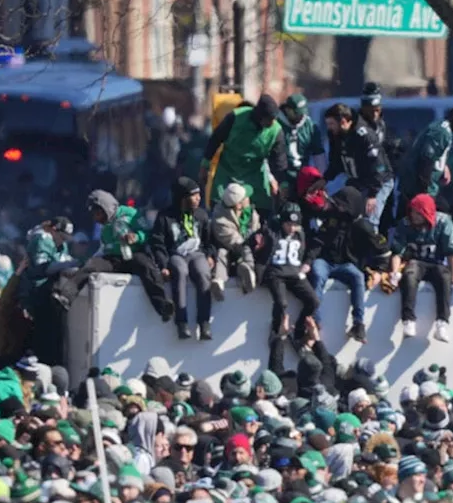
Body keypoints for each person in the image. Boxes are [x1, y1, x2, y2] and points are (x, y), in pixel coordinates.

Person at [54, 190, 174, 321]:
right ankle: (66, 296)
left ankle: (162, 305)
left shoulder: (131, 213)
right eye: (94, 215)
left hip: (134, 255)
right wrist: (89, 261)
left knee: (147, 267)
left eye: (98, 214)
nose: (96, 218)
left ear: (105, 207)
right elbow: (103, 248)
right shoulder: (105, 227)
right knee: (92, 265)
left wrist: (136, 237)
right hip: (113, 259)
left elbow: (146, 233)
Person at [307, 186, 391, 343]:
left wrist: (380, 271)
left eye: (340, 205)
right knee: (317, 273)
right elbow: (318, 242)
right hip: (326, 261)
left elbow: (384, 251)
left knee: (358, 277)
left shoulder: (363, 226)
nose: (336, 208)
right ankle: (314, 319)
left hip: (347, 264)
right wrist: (308, 261)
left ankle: (358, 324)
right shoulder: (331, 220)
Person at [387, 194, 453, 342]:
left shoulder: (443, 222)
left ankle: (442, 323)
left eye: (417, 213)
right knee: (410, 273)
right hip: (416, 262)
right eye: (412, 212)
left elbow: (452, 251)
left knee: (445, 277)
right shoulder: (405, 224)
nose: (414, 216)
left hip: (437, 263)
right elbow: (397, 251)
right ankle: (408, 320)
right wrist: (394, 272)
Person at [149, 177, 215, 341]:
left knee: (203, 273)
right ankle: (182, 322)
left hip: (197, 253)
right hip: (176, 254)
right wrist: (163, 264)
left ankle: (204, 323)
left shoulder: (201, 215)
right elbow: (158, 243)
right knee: (180, 271)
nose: (199, 198)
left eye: (199, 194)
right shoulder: (165, 217)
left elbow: (210, 241)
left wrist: (209, 255)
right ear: (183, 198)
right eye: (194, 195)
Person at [201, 95, 285, 215]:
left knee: (263, 210)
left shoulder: (276, 131)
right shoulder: (236, 117)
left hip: (254, 175)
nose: (272, 123)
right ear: (260, 116)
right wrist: (205, 164)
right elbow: (215, 139)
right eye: (269, 119)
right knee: (221, 207)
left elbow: (279, 161)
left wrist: (280, 183)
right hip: (228, 171)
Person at [253, 202, 319, 339]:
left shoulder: (301, 234)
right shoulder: (270, 231)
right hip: (276, 273)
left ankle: (300, 327)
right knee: (282, 303)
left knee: (313, 301)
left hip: (295, 273)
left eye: (295, 225)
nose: (292, 228)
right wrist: (258, 250)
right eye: (288, 224)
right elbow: (253, 243)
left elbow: (313, 249)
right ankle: (276, 330)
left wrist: (307, 263)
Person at [323, 103, 395, 229]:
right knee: (348, 213)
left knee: (369, 219)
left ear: (344, 122)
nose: (329, 128)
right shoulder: (335, 135)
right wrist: (324, 179)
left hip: (378, 182)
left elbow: (378, 166)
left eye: (331, 124)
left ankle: (371, 247)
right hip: (358, 181)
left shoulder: (364, 135)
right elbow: (336, 161)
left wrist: (373, 194)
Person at [399, 98, 453, 204]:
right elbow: (425, 162)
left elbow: (436, 155)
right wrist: (424, 195)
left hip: (429, 189)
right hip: (418, 190)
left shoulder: (445, 130)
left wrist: (444, 168)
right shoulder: (441, 132)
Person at [210, 182, 260, 299]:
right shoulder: (219, 218)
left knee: (246, 252)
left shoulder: (251, 213)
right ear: (238, 205)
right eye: (245, 198)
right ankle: (218, 281)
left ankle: (246, 271)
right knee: (222, 253)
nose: (248, 198)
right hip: (231, 249)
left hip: (248, 251)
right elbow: (235, 242)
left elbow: (256, 230)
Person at [278, 95, 325, 200]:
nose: (301, 117)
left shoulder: (310, 126)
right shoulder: (277, 125)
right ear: (288, 110)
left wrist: (321, 180)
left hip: (303, 179)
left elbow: (319, 156)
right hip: (281, 178)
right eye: (297, 113)